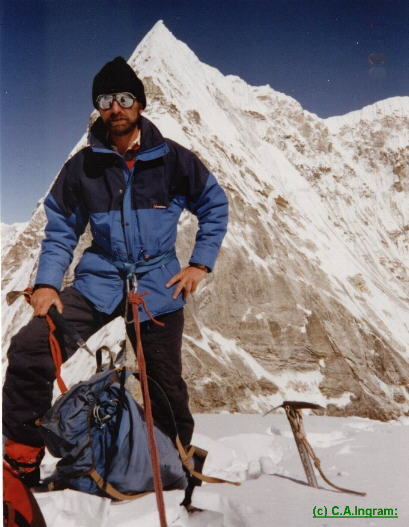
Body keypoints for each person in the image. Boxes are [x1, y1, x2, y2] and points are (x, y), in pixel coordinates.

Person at [3, 57, 228, 487]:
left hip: (157, 284)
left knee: (163, 383)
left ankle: (174, 463)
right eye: (106, 100)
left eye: (124, 98)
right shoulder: (83, 167)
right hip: (99, 281)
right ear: (98, 108)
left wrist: (200, 264)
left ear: (139, 104)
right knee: (31, 348)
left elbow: (214, 205)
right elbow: (61, 230)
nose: (115, 108)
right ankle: (21, 461)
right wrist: (48, 284)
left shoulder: (174, 161)